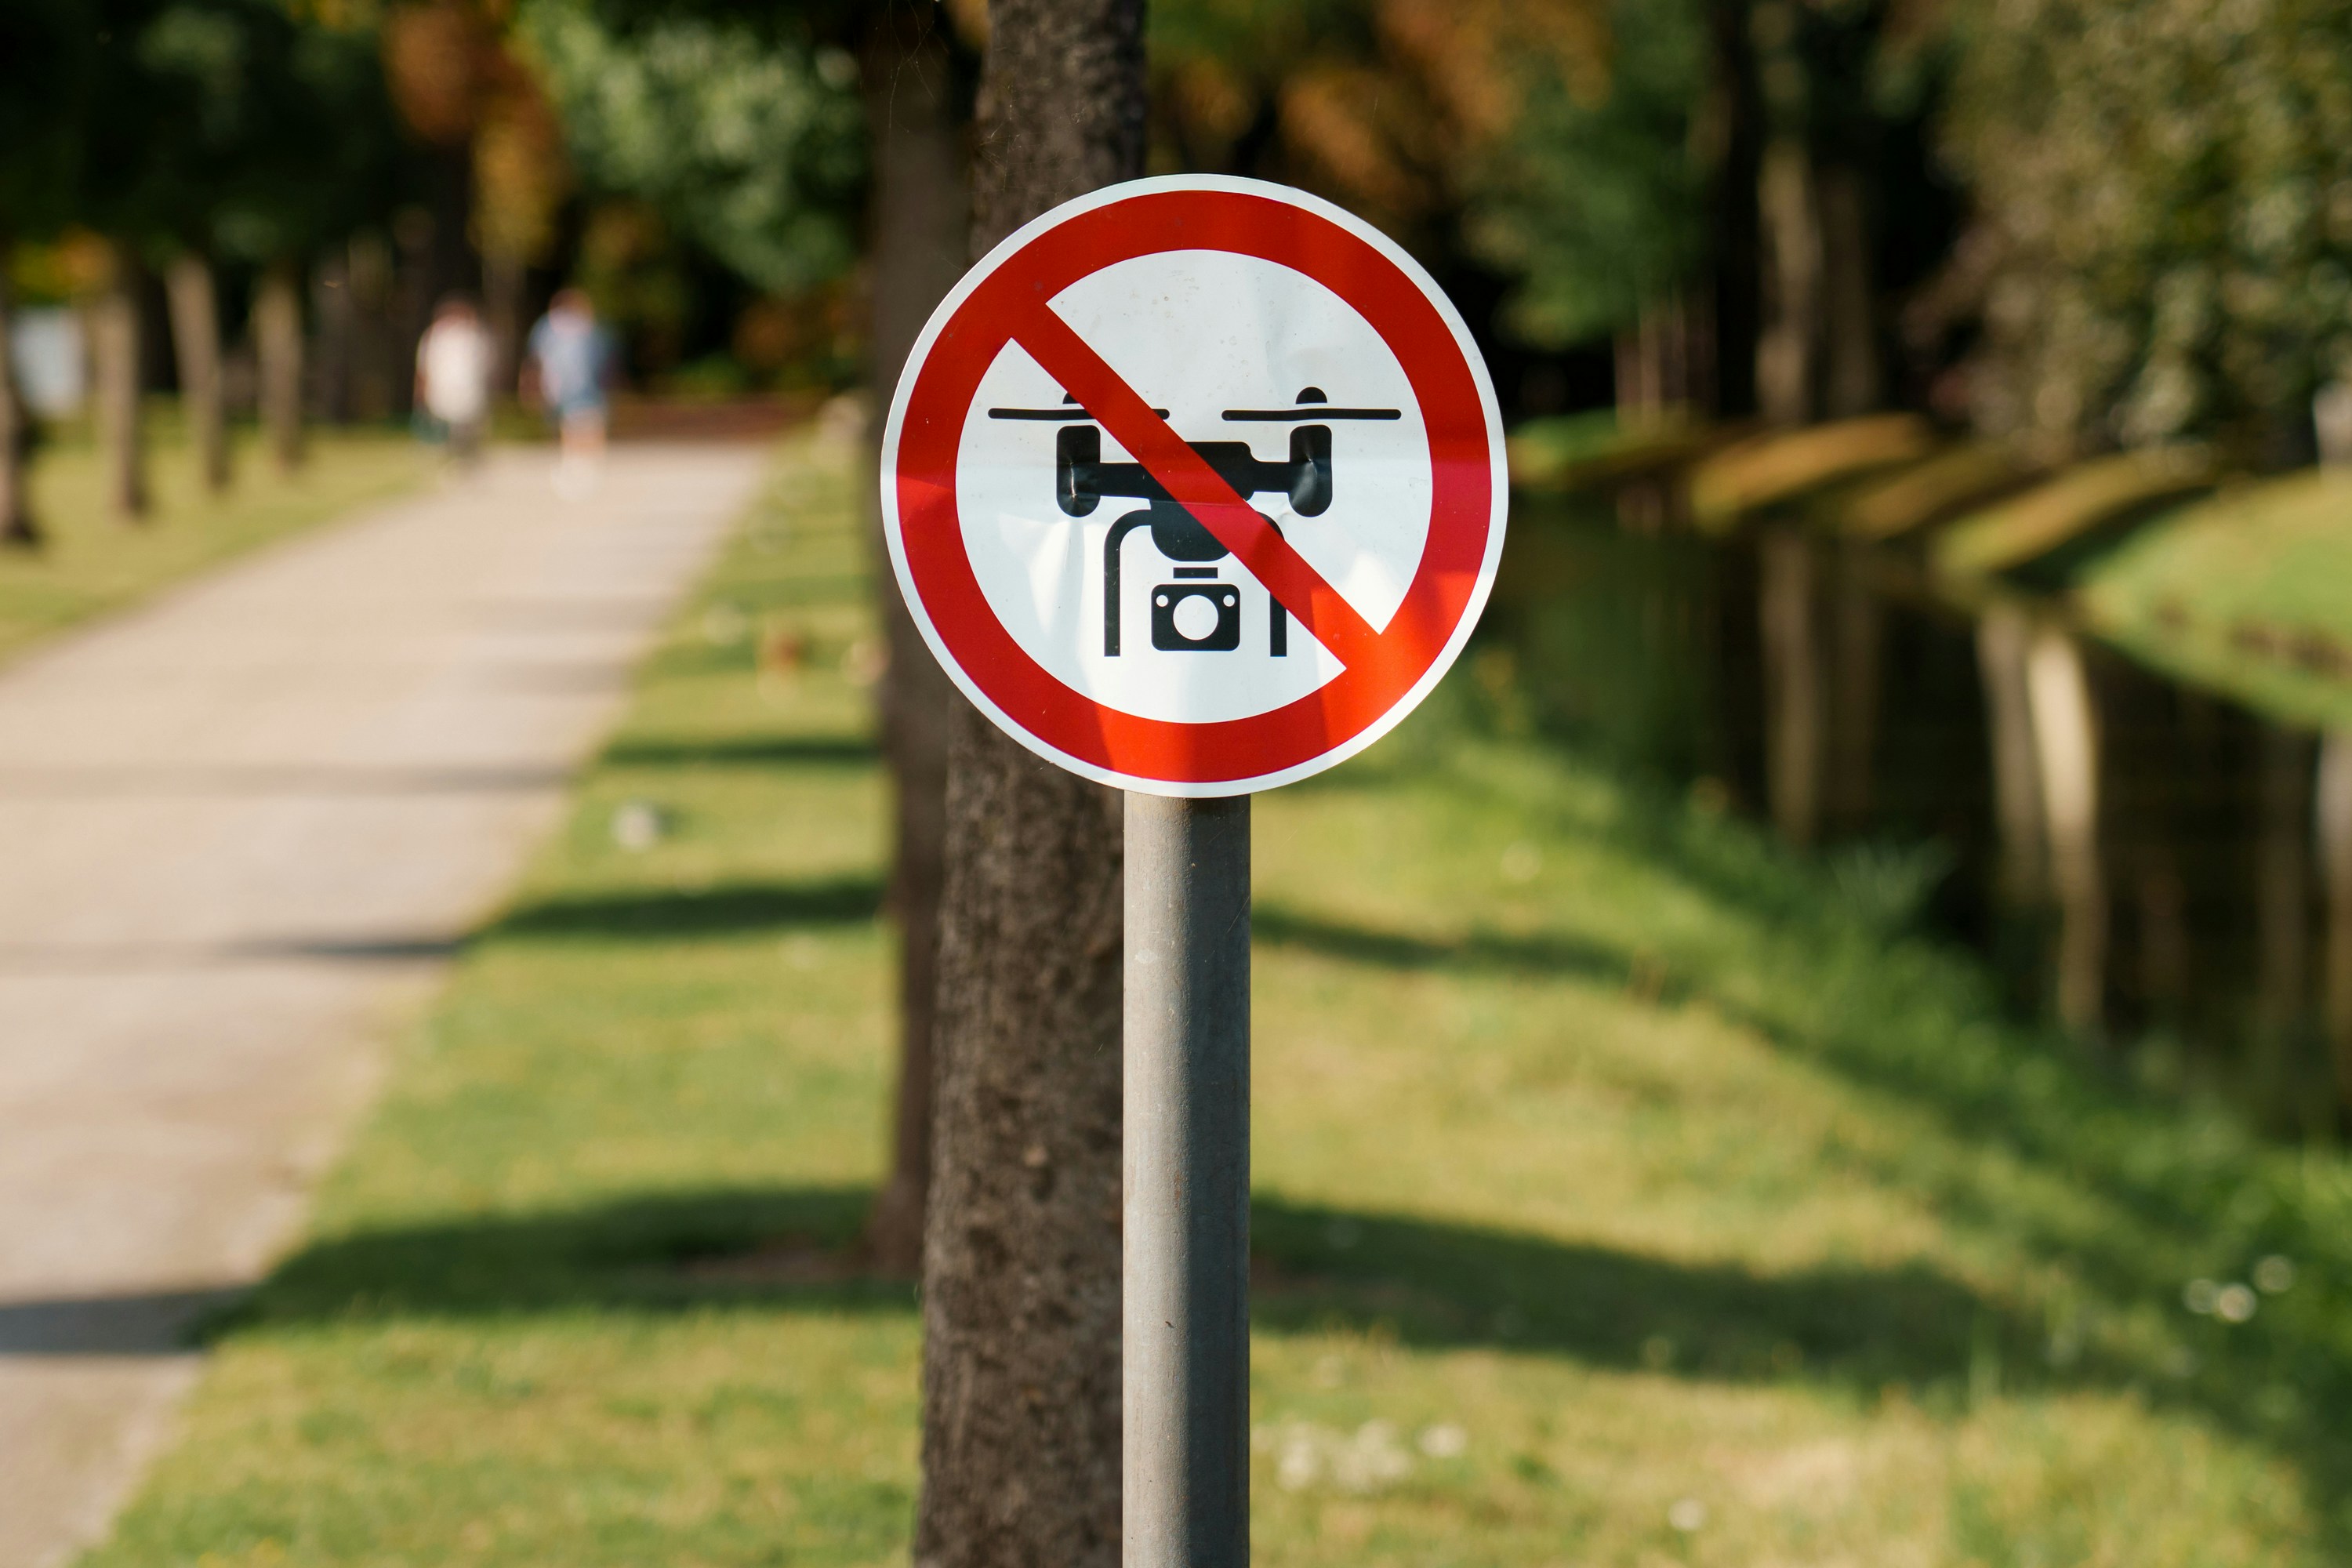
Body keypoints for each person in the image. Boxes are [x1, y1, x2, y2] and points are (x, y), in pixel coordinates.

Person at [524, 288, 614, 495]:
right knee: (579, 424)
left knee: (579, 424)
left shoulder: (577, 328)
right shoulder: (574, 328)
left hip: (573, 386)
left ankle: (580, 463)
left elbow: (535, 359)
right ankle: (580, 463)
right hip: (570, 386)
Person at [413, 295, 492, 463]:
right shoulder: (435, 336)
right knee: (448, 426)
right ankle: (453, 456)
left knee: (467, 427)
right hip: (444, 391)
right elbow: (425, 367)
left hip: (467, 392)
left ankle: (466, 456)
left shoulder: (472, 336)